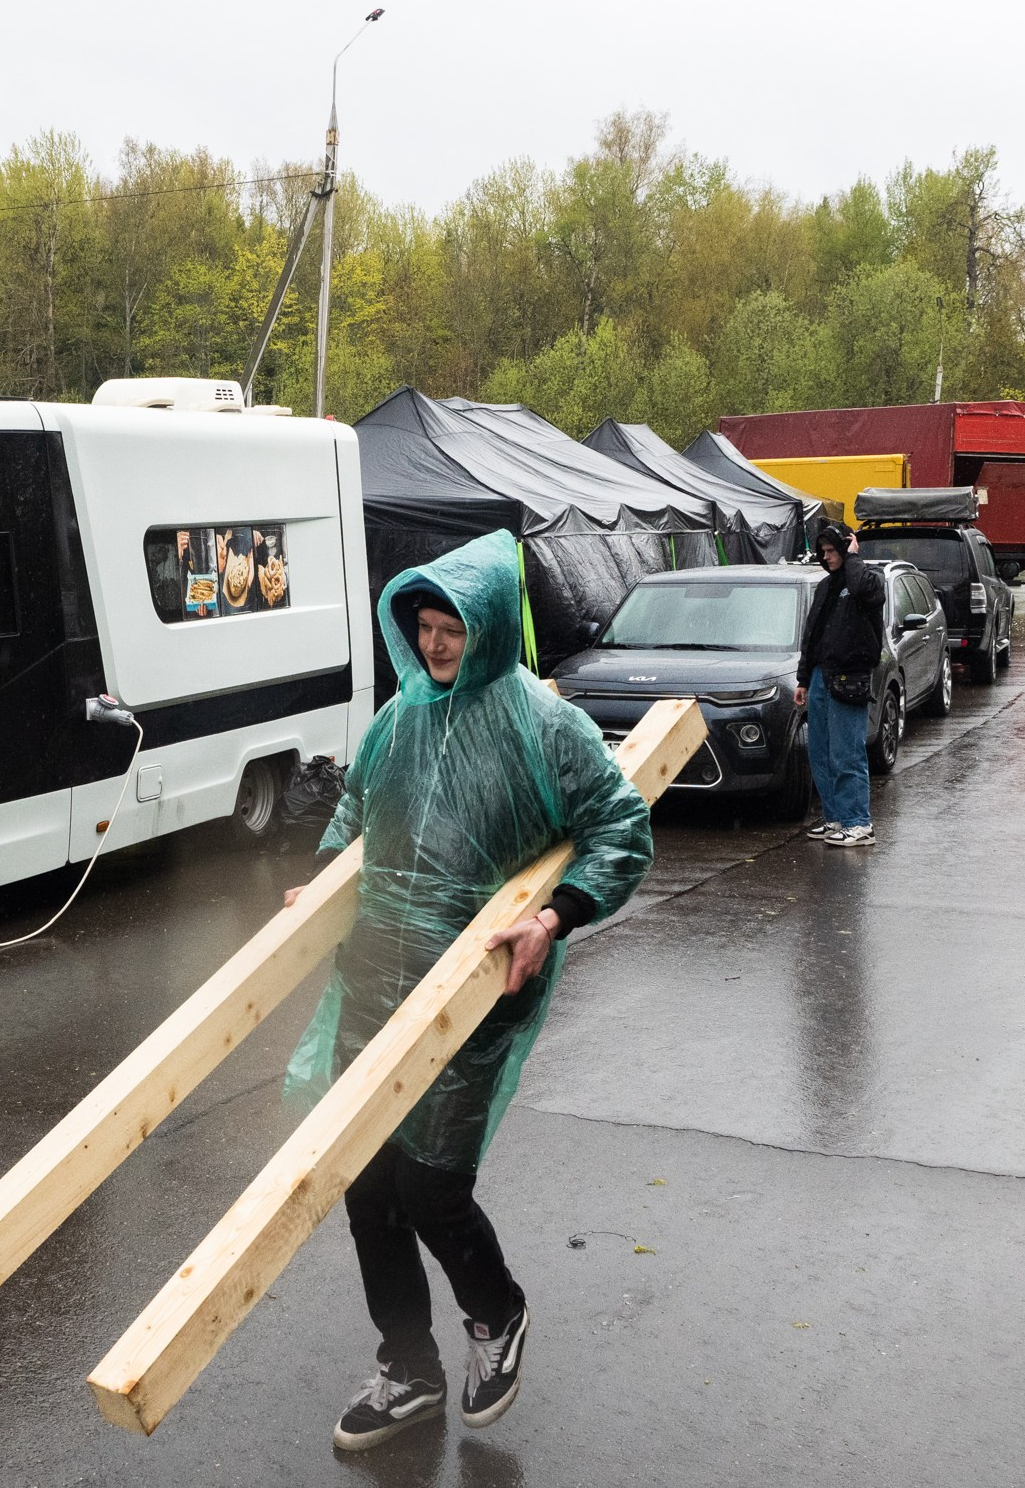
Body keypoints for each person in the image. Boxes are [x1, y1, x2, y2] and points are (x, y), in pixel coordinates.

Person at [280, 530, 653, 1453]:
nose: (437, 645)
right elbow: (353, 813)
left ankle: (498, 1315)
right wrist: (320, 884)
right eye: (424, 627)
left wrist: (552, 916)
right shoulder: (397, 722)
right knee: (365, 1188)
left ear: (485, 628)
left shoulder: (542, 723)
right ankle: (407, 1366)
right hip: (371, 982)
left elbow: (620, 828)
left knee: (431, 1187)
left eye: (452, 627)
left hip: (469, 994)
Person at [795, 522, 886, 848]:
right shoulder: (826, 586)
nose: (826, 556)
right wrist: (804, 678)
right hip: (821, 675)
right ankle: (835, 817)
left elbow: (861, 587)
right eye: (824, 552)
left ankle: (859, 824)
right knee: (822, 752)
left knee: (847, 752)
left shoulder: (868, 581)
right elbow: (812, 635)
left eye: (833, 550)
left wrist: (853, 556)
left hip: (850, 675)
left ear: (847, 547)